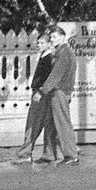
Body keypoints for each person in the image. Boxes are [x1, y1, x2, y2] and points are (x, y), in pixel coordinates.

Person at [12, 33, 61, 164]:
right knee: (42, 123)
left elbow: (49, 78)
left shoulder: (49, 58)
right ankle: (50, 153)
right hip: (39, 92)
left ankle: (25, 153)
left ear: (49, 44)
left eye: (41, 43)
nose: (38, 45)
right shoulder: (45, 56)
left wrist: (40, 91)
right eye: (38, 43)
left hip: (41, 94)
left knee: (33, 123)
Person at [40, 24, 80, 165]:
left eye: (55, 36)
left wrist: (43, 90)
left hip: (60, 91)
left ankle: (71, 155)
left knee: (62, 124)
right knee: (50, 123)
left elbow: (56, 74)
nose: (52, 39)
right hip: (57, 91)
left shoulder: (65, 53)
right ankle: (49, 155)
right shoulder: (60, 52)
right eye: (51, 37)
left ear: (63, 37)